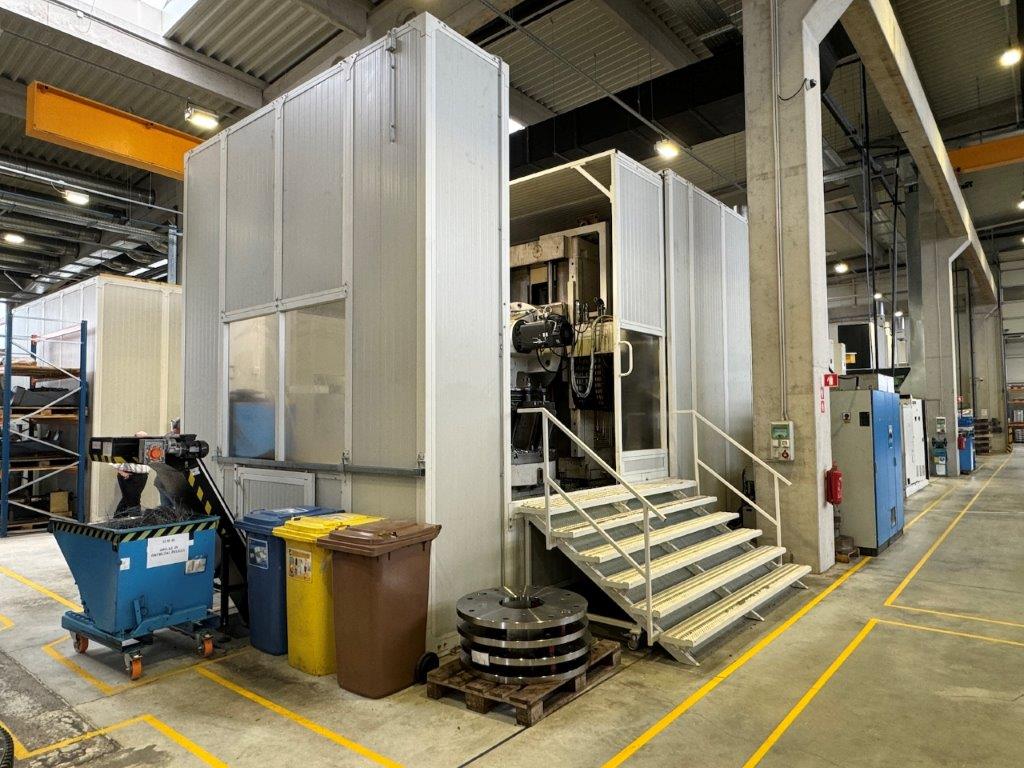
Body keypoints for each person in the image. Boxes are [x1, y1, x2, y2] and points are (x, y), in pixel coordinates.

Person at [113, 430, 151, 516]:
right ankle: (136, 520)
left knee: (128, 499)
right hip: (129, 476)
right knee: (134, 501)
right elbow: (114, 462)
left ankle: (117, 518)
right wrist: (122, 473)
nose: (144, 440)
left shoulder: (148, 448)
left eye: (146, 438)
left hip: (143, 476)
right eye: (141, 438)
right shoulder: (127, 448)